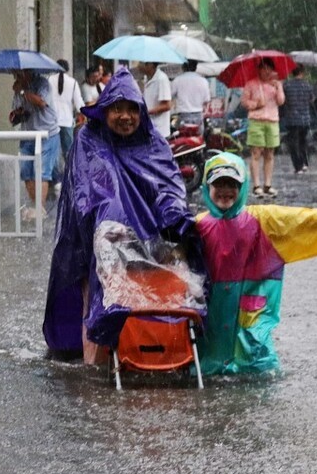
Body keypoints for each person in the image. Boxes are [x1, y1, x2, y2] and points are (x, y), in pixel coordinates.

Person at [43, 66, 203, 364]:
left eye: (133, 109)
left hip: (150, 239)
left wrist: (174, 215)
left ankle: (162, 348)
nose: (126, 116)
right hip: (102, 239)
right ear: (106, 109)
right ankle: (99, 361)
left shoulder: (153, 143)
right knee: (100, 294)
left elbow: (168, 185)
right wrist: (111, 221)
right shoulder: (88, 139)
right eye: (118, 108)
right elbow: (91, 190)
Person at [194, 153, 317, 374]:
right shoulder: (198, 226)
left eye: (232, 184)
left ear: (243, 187)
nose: (225, 190)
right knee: (210, 349)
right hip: (214, 305)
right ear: (207, 188)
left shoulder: (263, 220)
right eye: (219, 184)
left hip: (249, 304)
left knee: (253, 355)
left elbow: (304, 221)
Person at [10, 68, 59, 215]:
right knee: (26, 171)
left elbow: (41, 102)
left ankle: (40, 208)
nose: (16, 77)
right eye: (15, 74)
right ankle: (36, 206)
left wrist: (23, 92)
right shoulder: (18, 89)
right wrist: (18, 113)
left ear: (28, 72)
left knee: (42, 171)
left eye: (19, 74)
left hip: (47, 134)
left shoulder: (42, 83)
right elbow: (15, 113)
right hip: (28, 134)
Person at [239, 58, 285, 198]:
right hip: (256, 121)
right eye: (263, 68)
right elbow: (244, 102)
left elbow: (281, 101)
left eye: (269, 69)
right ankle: (256, 185)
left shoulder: (274, 85)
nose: (266, 71)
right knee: (256, 153)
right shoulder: (251, 84)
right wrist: (255, 104)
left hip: (272, 121)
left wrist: (279, 87)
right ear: (259, 69)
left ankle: (268, 184)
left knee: (270, 153)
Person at [48, 59, 85, 168]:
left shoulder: (49, 80)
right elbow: (79, 104)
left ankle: (56, 179)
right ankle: (70, 176)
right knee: (68, 152)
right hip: (67, 121)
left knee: (53, 151)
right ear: (67, 69)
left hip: (52, 121)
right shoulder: (73, 82)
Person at [281, 66, 317, 174]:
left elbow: (283, 100)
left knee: (293, 143)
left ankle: (298, 166)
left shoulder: (287, 85)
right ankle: (305, 162)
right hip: (305, 119)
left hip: (292, 120)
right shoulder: (307, 85)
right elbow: (312, 99)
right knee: (303, 141)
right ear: (302, 73)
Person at [170, 60, 212, 126]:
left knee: (183, 136)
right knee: (198, 136)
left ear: (183, 67)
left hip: (183, 115)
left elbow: (169, 96)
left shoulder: (177, 80)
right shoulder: (203, 81)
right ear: (195, 67)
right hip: (198, 115)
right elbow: (206, 100)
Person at [140, 61, 173, 139]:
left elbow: (167, 105)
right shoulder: (146, 78)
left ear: (150, 65)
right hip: (149, 128)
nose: (139, 66)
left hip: (160, 131)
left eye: (142, 63)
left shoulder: (161, 79)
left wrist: (146, 112)